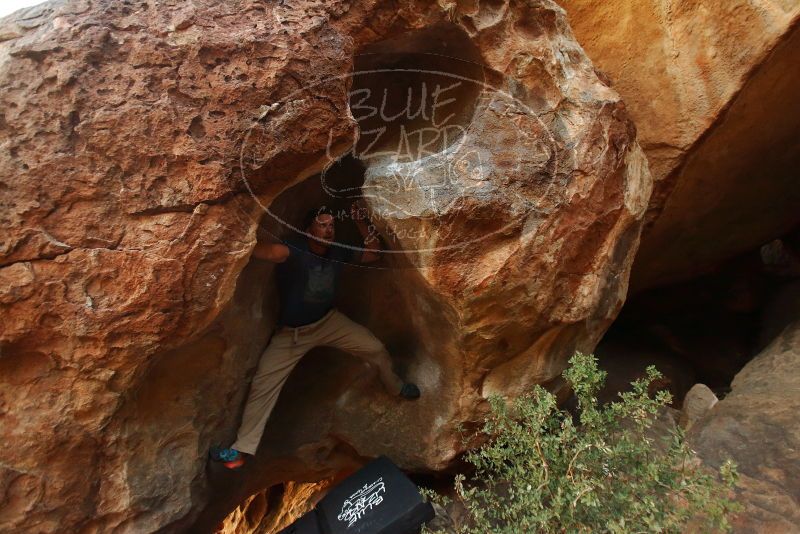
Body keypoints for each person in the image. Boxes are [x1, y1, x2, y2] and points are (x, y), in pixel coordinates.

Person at [210, 202, 420, 469]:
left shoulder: (338, 252)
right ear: (308, 228)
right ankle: (240, 451)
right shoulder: (294, 250)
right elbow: (267, 252)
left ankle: (396, 386)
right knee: (263, 385)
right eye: (322, 224)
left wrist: (359, 221)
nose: (328, 230)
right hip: (292, 335)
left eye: (331, 225)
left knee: (375, 348)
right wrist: (228, 242)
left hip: (328, 322)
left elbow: (373, 254)